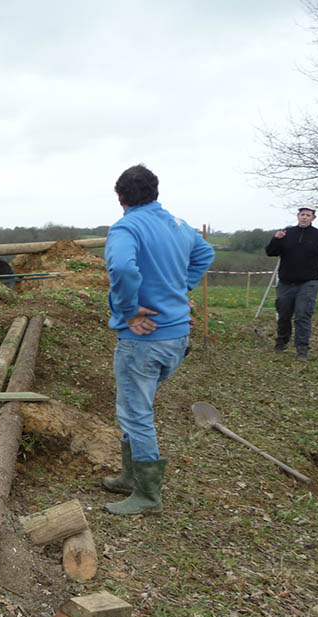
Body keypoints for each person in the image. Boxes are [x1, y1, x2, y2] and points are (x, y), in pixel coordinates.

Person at [101, 165, 215, 515]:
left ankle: (148, 495)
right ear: (156, 193)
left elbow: (121, 268)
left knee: (136, 412)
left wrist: (129, 310)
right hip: (177, 336)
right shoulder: (178, 225)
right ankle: (130, 475)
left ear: (120, 197)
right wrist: (180, 288)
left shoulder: (126, 228)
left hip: (144, 340)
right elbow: (205, 253)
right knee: (137, 402)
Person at [265, 206, 318, 362]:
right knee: (283, 315)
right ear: (298, 216)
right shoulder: (287, 233)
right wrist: (276, 238)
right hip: (286, 282)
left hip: (308, 283)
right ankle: (282, 342)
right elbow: (270, 252)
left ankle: (302, 349)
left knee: (303, 315)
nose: (304, 217)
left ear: (313, 218)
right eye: (302, 214)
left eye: (308, 215)